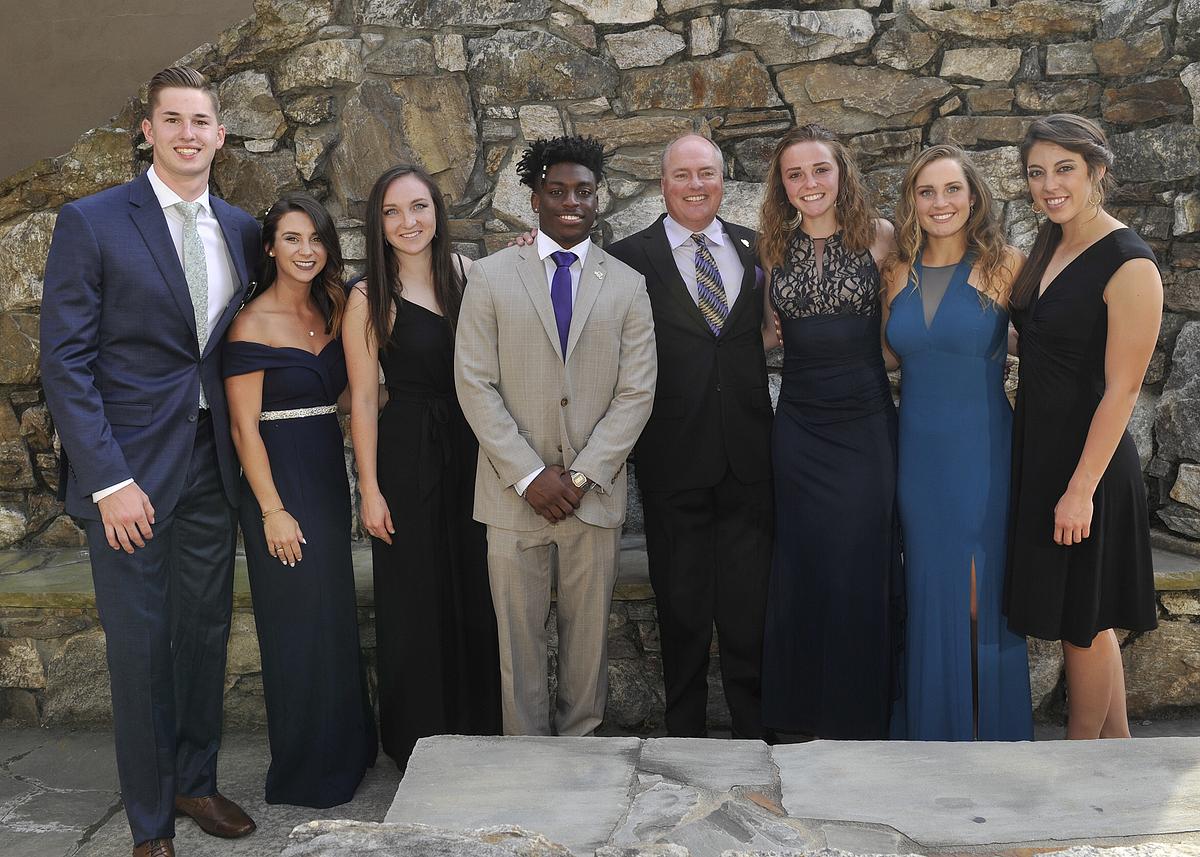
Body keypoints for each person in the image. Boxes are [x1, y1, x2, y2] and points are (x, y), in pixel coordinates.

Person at [40, 67, 259, 857]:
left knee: (202, 634)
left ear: (220, 135)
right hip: (127, 480)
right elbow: (65, 362)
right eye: (173, 120)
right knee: (139, 649)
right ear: (148, 130)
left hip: (211, 468)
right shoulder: (93, 221)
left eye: (202, 121)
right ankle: (149, 824)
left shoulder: (240, 229)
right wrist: (107, 481)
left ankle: (196, 781)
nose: (189, 134)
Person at [454, 136, 656, 736]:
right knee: (516, 647)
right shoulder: (491, 278)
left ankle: (582, 757)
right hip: (512, 499)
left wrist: (582, 474)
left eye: (583, 192)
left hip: (592, 499)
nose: (571, 202)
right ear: (535, 197)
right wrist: (529, 475)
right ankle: (526, 766)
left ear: (599, 200)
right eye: (557, 191)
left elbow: (636, 392)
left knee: (587, 646)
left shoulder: (626, 284)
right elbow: (474, 383)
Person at [606, 134, 773, 739]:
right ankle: (686, 735)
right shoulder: (626, 258)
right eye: (683, 175)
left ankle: (755, 729)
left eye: (706, 173)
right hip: (673, 459)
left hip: (751, 458)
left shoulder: (757, 249)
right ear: (662, 182)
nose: (695, 185)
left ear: (723, 180)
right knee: (680, 609)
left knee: (749, 608)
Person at [1005, 114, 1162, 739]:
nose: (1049, 185)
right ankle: (1117, 753)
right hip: (1043, 453)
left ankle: (1078, 771)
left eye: (1063, 169)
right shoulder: (1051, 242)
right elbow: (1043, 342)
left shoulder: (1130, 262)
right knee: (1086, 618)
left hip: (1087, 466)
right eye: (1036, 173)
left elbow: (1123, 389)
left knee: (1081, 626)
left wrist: (1079, 490)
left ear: (1097, 171)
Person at [343, 165, 502, 766]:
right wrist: (370, 489)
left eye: (418, 208)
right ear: (379, 225)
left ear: (437, 212)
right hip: (407, 451)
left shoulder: (469, 276)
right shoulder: (367, 297)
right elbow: (362, 398)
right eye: (392, 212)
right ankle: (418, 738)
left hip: (473, 447)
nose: (408, 223)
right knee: (414, 593)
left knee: (473, 585)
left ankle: (478, 726)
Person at [222, 193, 377, 804]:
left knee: (332, 615)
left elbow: (351, 397)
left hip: (324, 475)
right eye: (291, 238)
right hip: (279, 482)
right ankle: (307, 770)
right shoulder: (250, 323)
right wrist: (271, 510)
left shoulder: (334, 308)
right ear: (270, 248)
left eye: (315, 238)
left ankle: (347, 748)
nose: (306, 250)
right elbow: (242, 428)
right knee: (296, 622)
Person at [757, 123, 903, 741]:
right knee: (804, 562)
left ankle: (859, 718)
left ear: (841, 173)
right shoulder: (771, 247)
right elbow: (769, 332)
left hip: (866, 425)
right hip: (799, 429)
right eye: (795, 174)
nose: (809, 183)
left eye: (820, 170)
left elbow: (898, 340)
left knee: (860, 563)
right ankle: (798, 718)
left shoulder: (882, 238)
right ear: (782, 185)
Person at [882, 145, 1032, 741]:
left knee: (977, 595)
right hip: (917, 453)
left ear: (974, 196)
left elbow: (1046, 343)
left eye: (951, 190)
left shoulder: (1007, 266)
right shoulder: (895, 270)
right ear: (912, 203)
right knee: (926, 585)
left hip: (982, 448)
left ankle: (985, 730)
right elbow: (886, 351)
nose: (939, 203)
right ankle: (931, 730)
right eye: (927, 192)